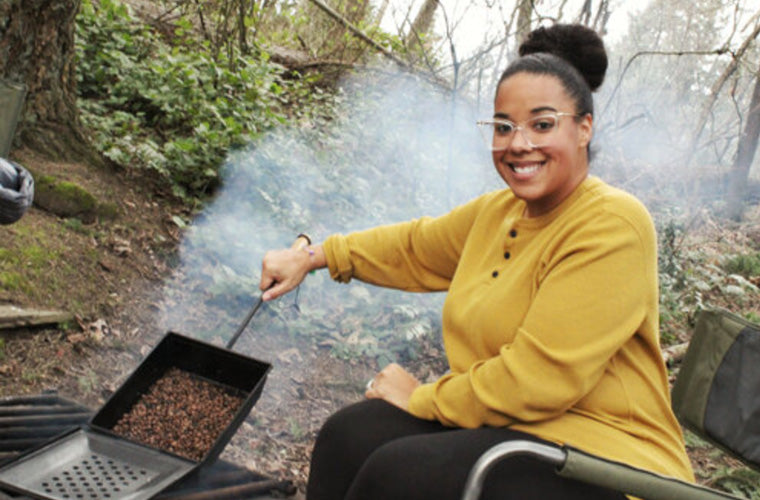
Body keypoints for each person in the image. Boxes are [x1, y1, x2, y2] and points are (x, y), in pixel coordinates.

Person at [259, 24, 694, 500]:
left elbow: (537, 380)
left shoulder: (612, 224)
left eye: (542, 125)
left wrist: (423, 398)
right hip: (517, 431)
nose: (518, 143)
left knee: (399, 476)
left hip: (609, 463)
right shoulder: (499, 212)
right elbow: (414, 246)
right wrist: (312, 256)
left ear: (584, 127)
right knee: (350, 436)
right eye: (504, 126)